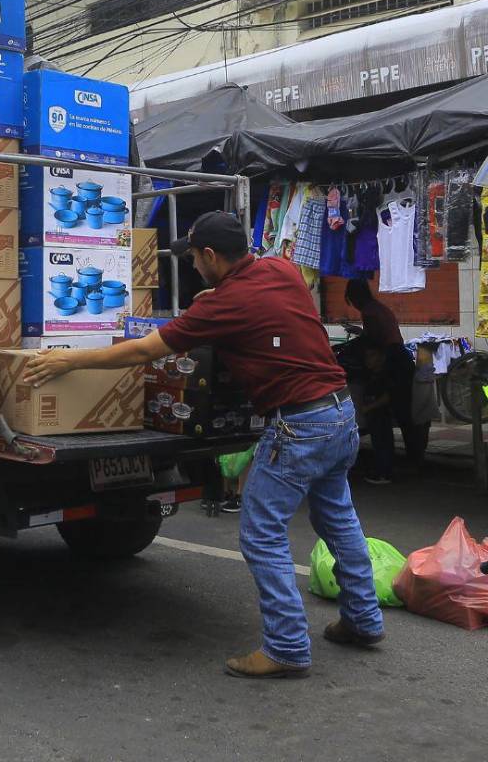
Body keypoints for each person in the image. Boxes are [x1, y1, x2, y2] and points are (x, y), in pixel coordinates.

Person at [24, 211, 383, 679]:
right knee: (339, 520)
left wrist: (67, 363)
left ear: (211, 256)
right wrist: (216, 297)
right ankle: (364, 619)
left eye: (194, 257)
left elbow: (142, 351)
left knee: (261, 534)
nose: (192, 265)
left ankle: (287, 647)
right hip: (339, 414)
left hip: (298, 425)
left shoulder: (221, 306)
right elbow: (249, 301)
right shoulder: (280, 269)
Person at [343, 277, 419, 482]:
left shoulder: (369, 312)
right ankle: (411, 461)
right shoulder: (378, 308)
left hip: (394, 361)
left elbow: (374, 342)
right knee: (403, 414)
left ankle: (387, 467)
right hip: (399, 358)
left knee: (383, 415)